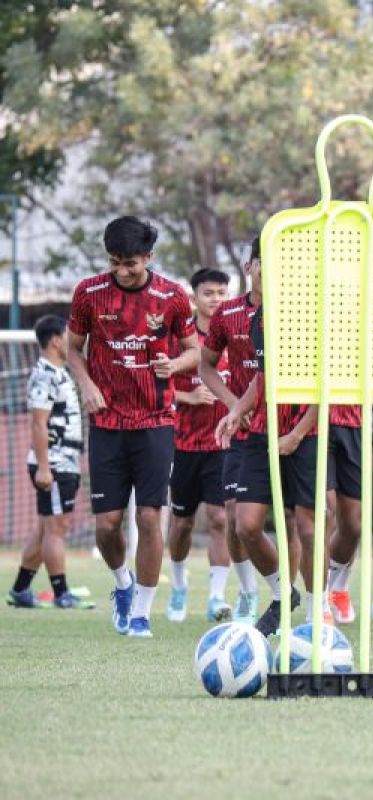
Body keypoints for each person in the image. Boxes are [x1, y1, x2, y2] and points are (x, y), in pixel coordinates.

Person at [67, 216, 199, 638]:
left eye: (131, 263)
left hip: (156, 421)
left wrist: (173, 364)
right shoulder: (88, 293)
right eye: (115, 262)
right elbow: (73, 349)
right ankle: (122, 584)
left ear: (148, 257)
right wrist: (86, 383)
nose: (122, 271)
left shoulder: (173, 296)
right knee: (106, 525)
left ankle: (141, 612)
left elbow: (195, 351)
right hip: (106, 422)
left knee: (148, 516)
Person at [214, 266, 319, 637]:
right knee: (246, 525)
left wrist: (297, 434)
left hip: (307, 434)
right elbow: (263, 377)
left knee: (307, 527)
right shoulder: (259, 318)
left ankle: (316, 611)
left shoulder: (318, 314)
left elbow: (329, 385)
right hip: (262, 432)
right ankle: (281, 594)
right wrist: (237, 411)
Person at [200, 240, 273, 625]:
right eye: (265, 261)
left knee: (295, 518)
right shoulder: (228, 314)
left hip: (285, 426)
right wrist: (233, 406)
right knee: (233, 515)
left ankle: (293, 597)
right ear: (249, 266)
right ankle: (247, 592)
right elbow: (206, 367)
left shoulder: (293, 310)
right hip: (243, 429)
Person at [7, 315, 92, 610]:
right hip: (53, 463)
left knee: (46, 528)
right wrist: (44, 467)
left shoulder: (60, 371)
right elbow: (38, 425)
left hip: (64, 461)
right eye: (68, 334)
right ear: (56, 340)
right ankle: (61, 593)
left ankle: (20, 590)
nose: (73, 338)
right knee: (57, 527)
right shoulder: (44, 374)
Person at [166, 269, 235, 623]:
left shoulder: (234, 333)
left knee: (221, 518)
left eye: (222, 292)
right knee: (181, 523)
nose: (216, 299)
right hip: (182, 444)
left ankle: (216, 596)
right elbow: (154, 381)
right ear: (194, 297)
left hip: (221, 443)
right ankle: (178, 586)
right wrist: (187, 396)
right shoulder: (180, 338)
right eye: (209, 293)